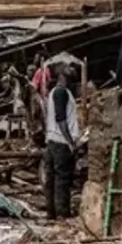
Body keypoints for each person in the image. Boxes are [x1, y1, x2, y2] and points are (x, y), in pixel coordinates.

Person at [44, 64, 80, 220]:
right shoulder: (61, 92)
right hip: (61, 142)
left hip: (52, 141)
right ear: (62, 77)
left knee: (51, 178)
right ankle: (62, 213)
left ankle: (51, 212)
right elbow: (61, 119)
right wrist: (71, 142)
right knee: (62, 179)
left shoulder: (54, 92)